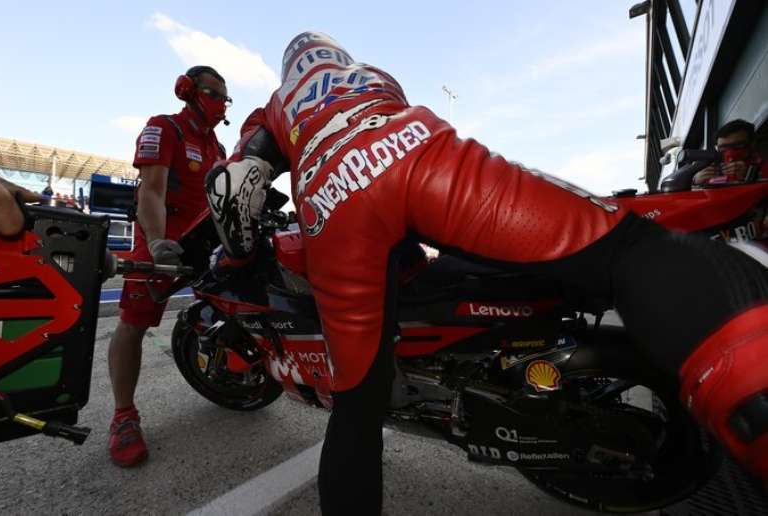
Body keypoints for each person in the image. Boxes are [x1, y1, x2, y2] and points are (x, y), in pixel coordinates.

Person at [206, 33, 768, 513]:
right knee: (626, 250)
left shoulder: (276, 105)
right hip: (421, 151)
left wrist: (235, 252)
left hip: (337, 205)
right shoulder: (372, 76)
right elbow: (382, 155)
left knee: (357, 411)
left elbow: (236, 190)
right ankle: (751, 384)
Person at [108, 65, 229, 467]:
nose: (220, 104)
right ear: (187, 91)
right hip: (160, 236)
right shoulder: (164, 128)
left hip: (202, 240)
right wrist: (158, 243)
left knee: (235, 302)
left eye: (224, 98)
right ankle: (123, 416)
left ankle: (232, 376)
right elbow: (152, 192)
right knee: (134, 322)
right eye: (213, 94)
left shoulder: (219, 148)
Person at [693, 119, 768, 185]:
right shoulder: (711, 167)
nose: (730, 153)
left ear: (752, 144)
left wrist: (752, 177)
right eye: (723, 148)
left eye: (738, 145)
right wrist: (695, 180)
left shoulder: (763, 168)